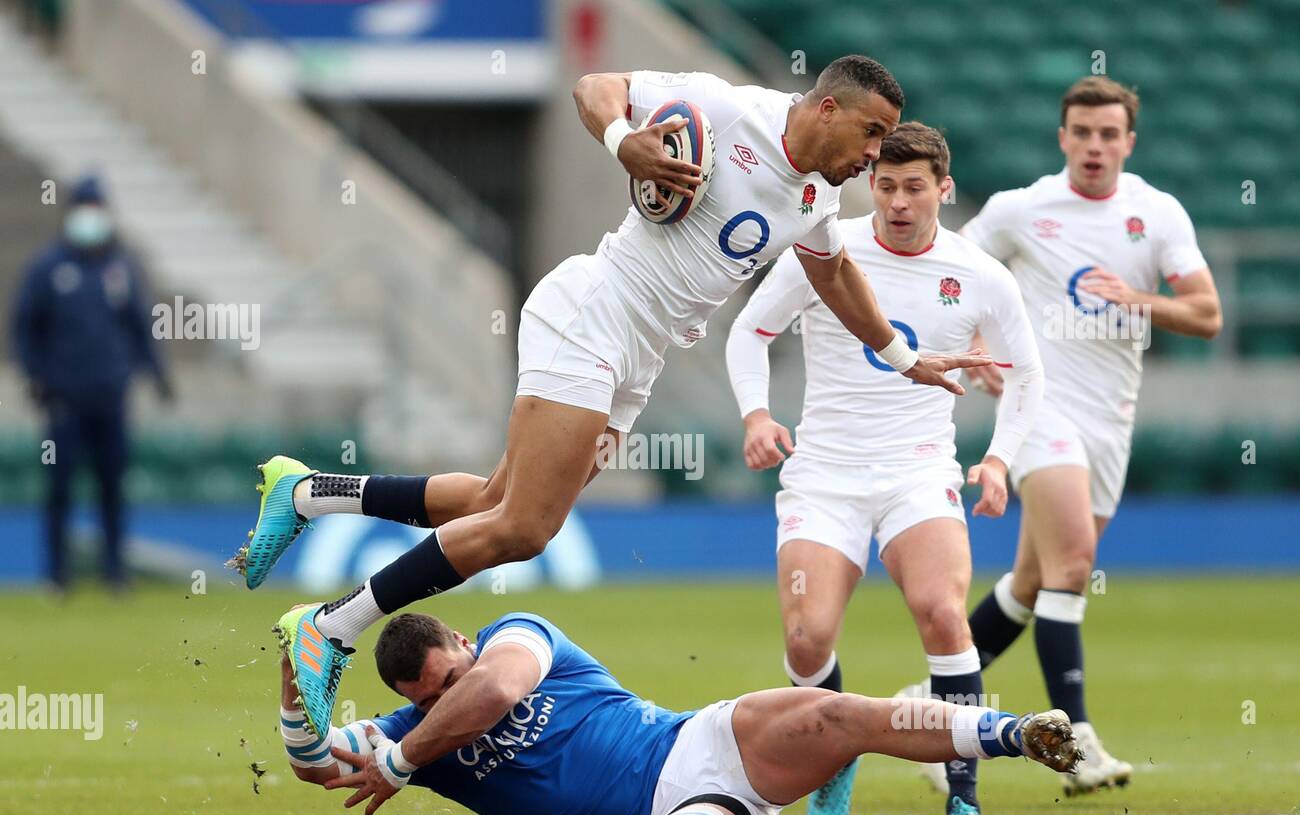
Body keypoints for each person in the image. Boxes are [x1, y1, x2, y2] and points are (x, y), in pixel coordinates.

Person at [232, 56, 991, 737]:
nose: (872, 154)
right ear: (828, 108)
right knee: (524, 529)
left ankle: (309, 494)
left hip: (638, 354)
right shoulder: (727, 110)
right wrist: (622, 141)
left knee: (495, 501)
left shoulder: (815, 202)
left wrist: (902, 355)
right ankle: (332, 626)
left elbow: (833, 277)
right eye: (871, 132)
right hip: (593, 314)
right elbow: (596, 88)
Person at [725, 123, 1043, 815]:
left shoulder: (981, 274)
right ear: (872, 184)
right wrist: (755, 414)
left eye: (915, 187)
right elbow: (750, 330)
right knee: (807, 639)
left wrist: (997, 460)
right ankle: (833, 763)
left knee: (942, 612)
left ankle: (964, 804)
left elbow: (1028, 373)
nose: (898, 202)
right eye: (886, 185)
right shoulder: (825, 246)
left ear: (945, 189)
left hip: (918, 471)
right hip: (825, 474)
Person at [279, 608, 1081, 815]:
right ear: (403, 703)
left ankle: (1015, 730)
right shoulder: (406, 731)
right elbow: (313, 763)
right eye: (425, 703)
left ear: (461, 638)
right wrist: (297, 666)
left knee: (840, 713)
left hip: (702, 740)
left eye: (447, 678)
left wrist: (400, 759)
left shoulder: (514, 638)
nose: (445, 702)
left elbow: (494, 690)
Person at [956, 76, 1222, 795]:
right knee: (1073, 563)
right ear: (1062, 138)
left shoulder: (1156, 214)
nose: (1095, 146)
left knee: (1034, 580)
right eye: (1083, 132)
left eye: (1110, 134)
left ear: (1129, 142)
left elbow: (1206, 313)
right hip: (1039, 409)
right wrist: (976, 341)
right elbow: (953, 271)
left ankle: (931, 709)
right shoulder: (1022, 209)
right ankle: (1075, 741)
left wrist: (1139, 299)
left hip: (1111, 419)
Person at [11, 173, 171, 591]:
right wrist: (34, 375)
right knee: (60, 488)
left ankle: (114, 574)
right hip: (64, 399)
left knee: (112, 488)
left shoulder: (120, 268)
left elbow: (139, 326)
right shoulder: (49, 268)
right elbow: (25, 327)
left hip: (110, 397)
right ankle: (56, 575)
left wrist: (158, 375)